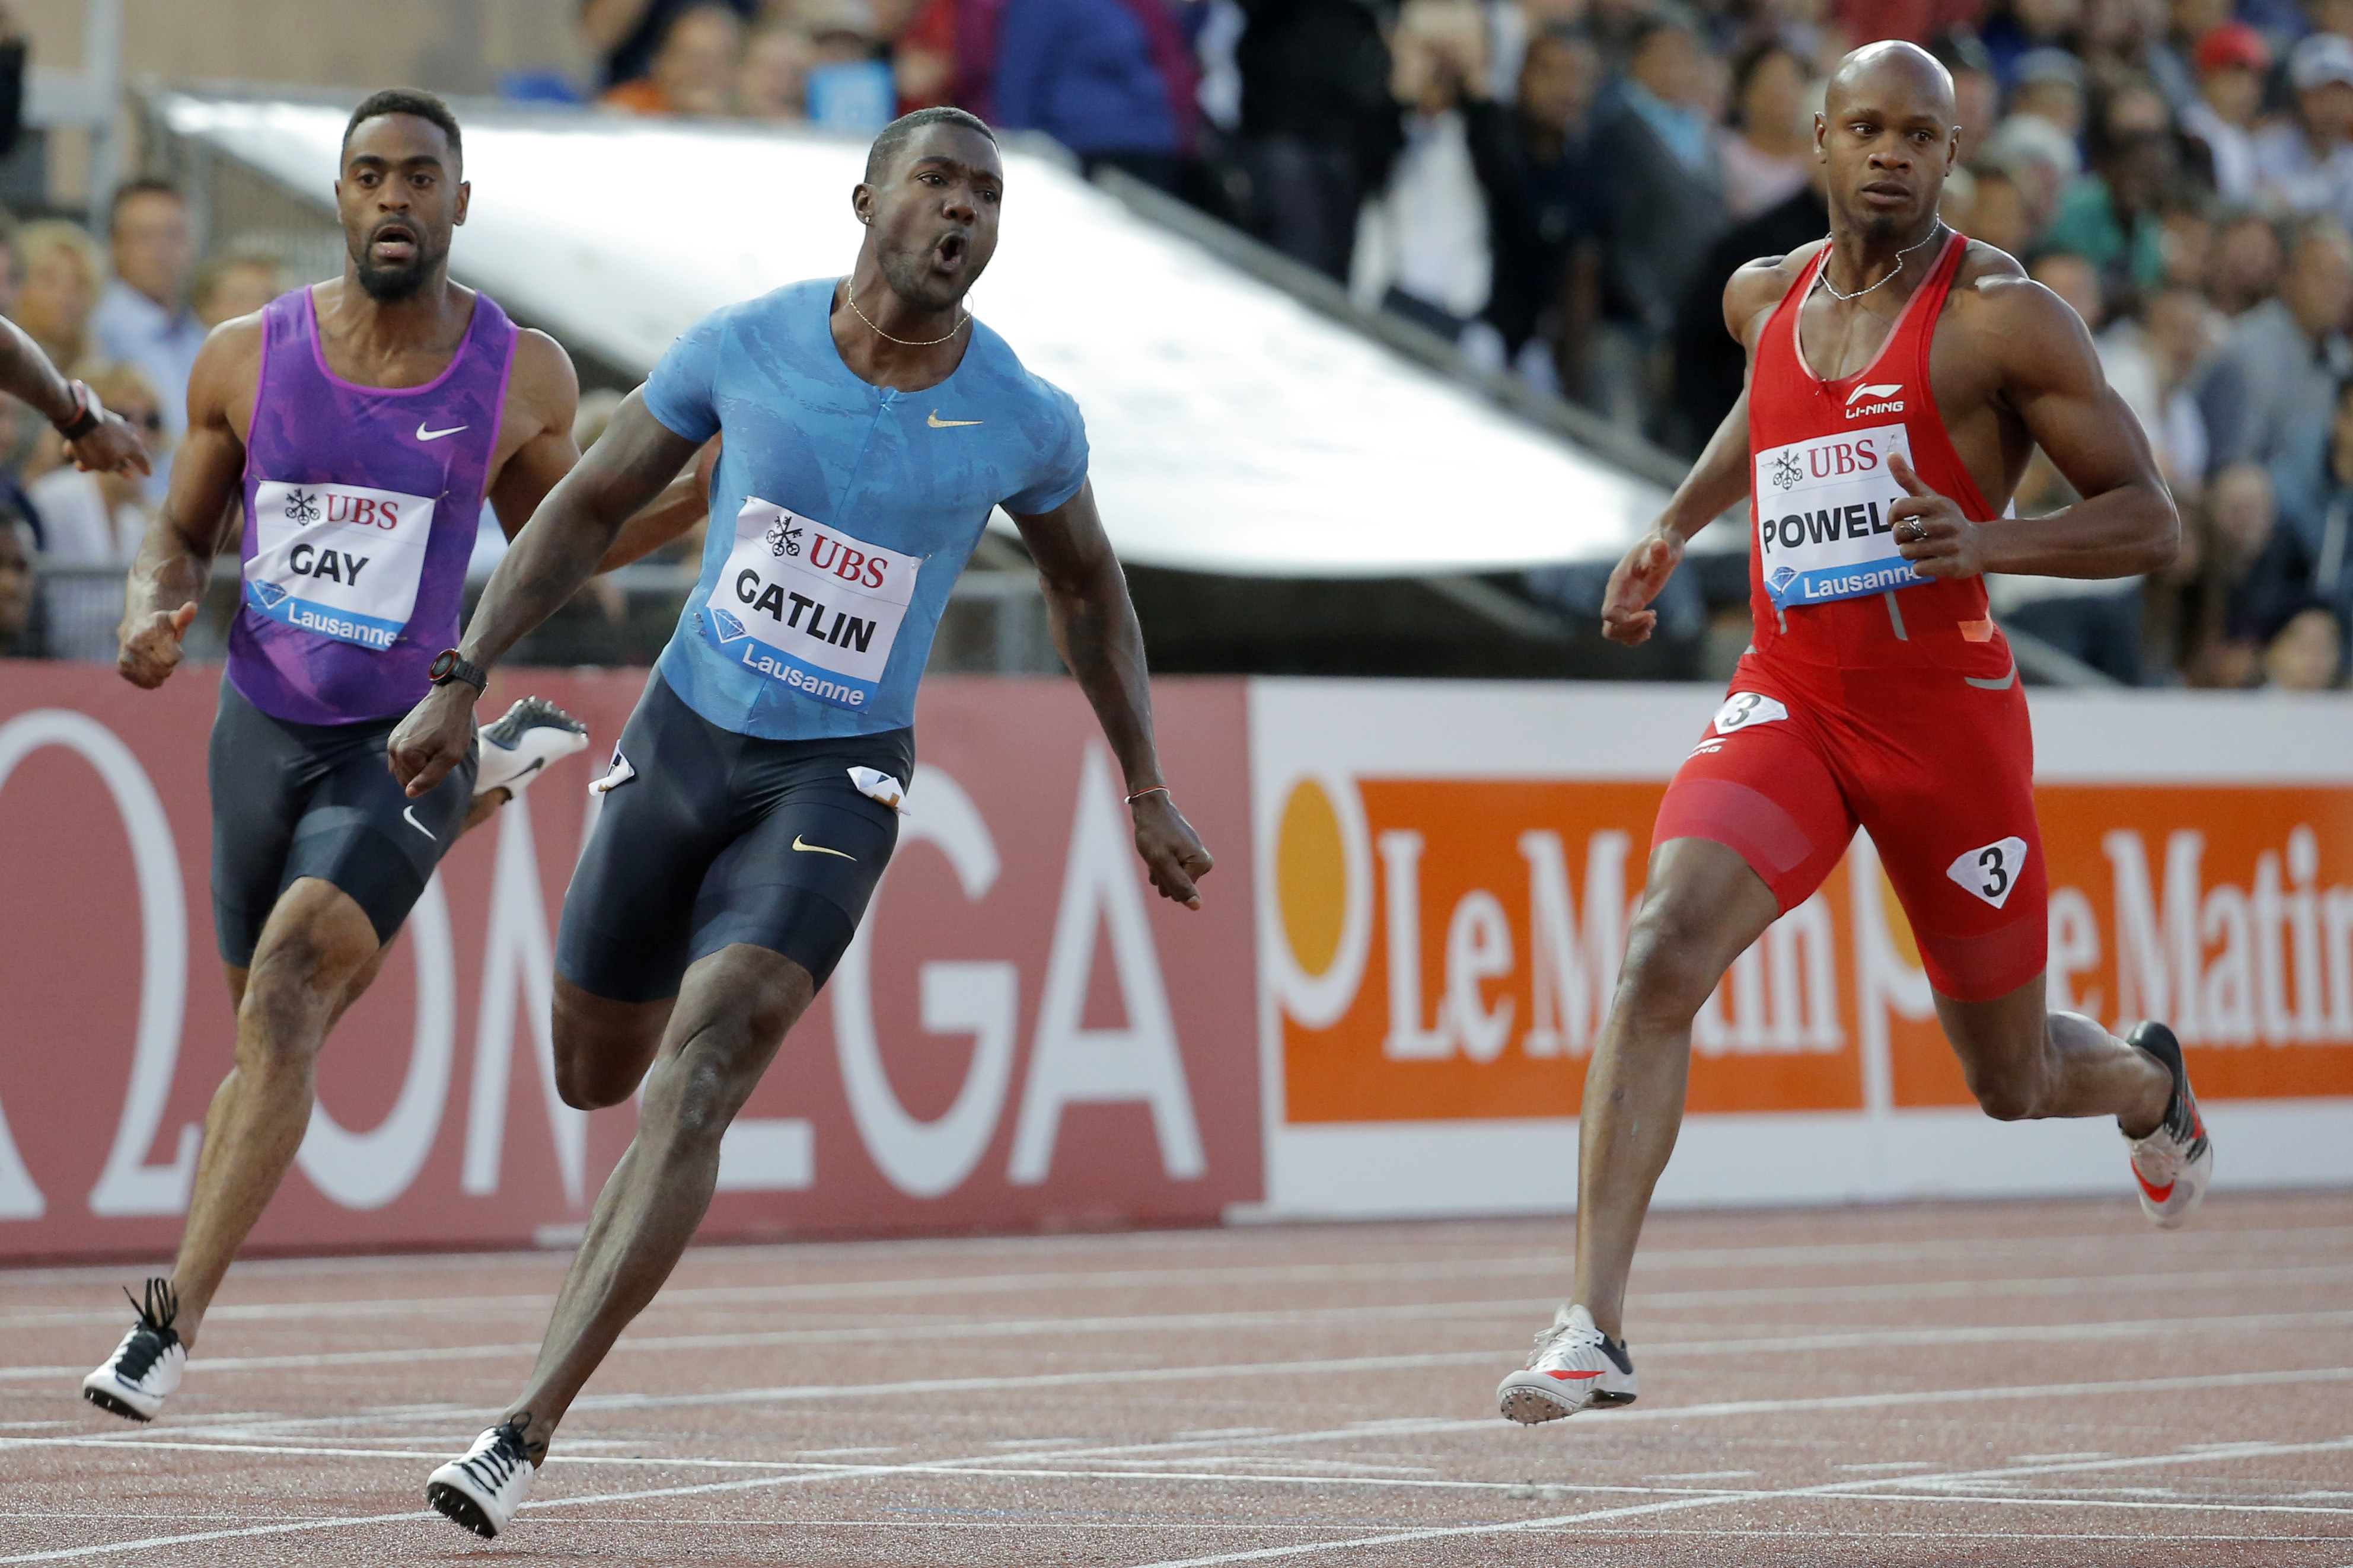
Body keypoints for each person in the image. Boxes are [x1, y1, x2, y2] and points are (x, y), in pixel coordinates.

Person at [390, 104, 1214, 1539]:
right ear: (864, 200)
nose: (963, 213)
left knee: (702, 1068)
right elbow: (587, 508)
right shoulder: (742, 346)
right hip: (686, 736)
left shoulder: (1023, 415)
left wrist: (1141, 781)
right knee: (598, 1070)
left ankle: (522, 1426)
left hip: (834, 779)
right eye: (937, 184)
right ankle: (605, 985)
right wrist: (465, 676)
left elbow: (1089, 589)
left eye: (986, 197)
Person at [1496, 42, 2206, 1429]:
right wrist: (1671, 523)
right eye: (1865, 129)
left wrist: (1988, 538)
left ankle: (2140, 1079)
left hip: (1943, 728)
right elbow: (1768, 410)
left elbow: (2151, 519)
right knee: (1656, 951)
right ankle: (1592, 1325)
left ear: (1948, 154)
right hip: (1791, 695)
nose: (1890, 153)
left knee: (2007, 1080)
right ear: (1818, 141)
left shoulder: (2001, 318)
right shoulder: (1759, 296)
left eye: (1918, 135)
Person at [79, 88, 699, 1428]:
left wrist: (698, 495)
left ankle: (165, 1322)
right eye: (371, 176)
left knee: (297, 982)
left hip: (397, 728)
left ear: (457, 202)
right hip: (259, 725)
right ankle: (484, 784)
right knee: (264, 1031)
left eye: (423, 176)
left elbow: (568, 540)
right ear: (342, 198)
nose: (397, 198)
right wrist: (146, 604)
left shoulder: (514, 370)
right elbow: (178, 531)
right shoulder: (245, 356)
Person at [91, 180, 204, 498]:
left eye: (175, 235)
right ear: (115, 245)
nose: (161, 250)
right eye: (145, 237)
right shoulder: (96, 334)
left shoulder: (201, 338)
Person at [600, 2, 743, 115]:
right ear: (658, 62)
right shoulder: (622, 112)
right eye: (688, 56)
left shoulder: (754, 125)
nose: (699, 70)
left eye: (714, 60)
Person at [10, 219, 103, 381]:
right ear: (17, 284)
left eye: (79, 283)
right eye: (50, 279)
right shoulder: (7, 369)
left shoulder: (101, 375)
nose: (66, 296)